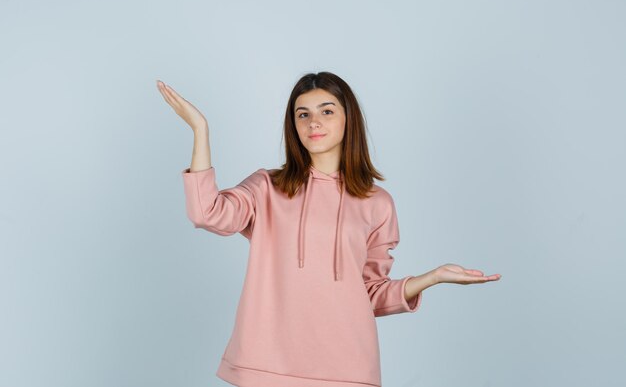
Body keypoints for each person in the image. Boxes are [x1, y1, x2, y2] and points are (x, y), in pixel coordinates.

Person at [156, 72, 501, 387]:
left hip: (348, 368)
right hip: (267, 364)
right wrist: (200, 130)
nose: (313, 123)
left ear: (348, 118)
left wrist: (433, 277)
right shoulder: (268, 187)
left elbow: (370, 294)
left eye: (327, 111)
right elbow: (207, 213)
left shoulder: (377, 202)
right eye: (302, 114)